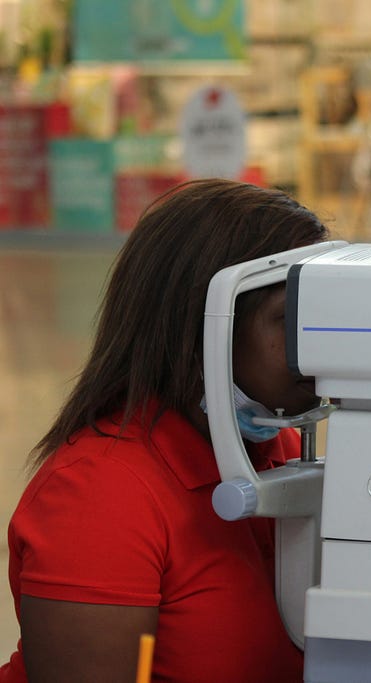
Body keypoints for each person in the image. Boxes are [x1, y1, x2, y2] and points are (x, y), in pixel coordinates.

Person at [1, 179, 329, 683]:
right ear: (202, 330)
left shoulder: (273, 443)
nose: (321, 350)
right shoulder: (100, 495)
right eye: (291, 322)